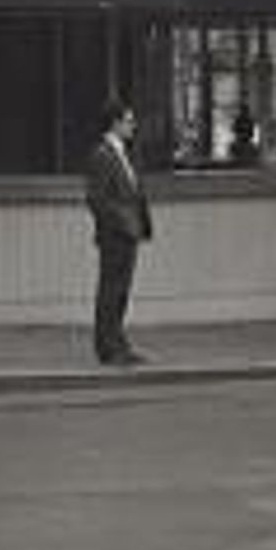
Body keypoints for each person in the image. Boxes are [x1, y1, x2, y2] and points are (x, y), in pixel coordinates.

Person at [84, 98, 153, 366]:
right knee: (111, 290)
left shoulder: (123, 153)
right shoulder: (102, 155)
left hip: (129, 232)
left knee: (121, 291)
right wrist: (121, 223)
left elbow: (133, 193)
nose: (133, 126)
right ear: (115, 124)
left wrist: (138, 224)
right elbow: (96, 198)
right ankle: (107, 347)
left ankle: (118, 342)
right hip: (115, 235)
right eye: (128, 121)